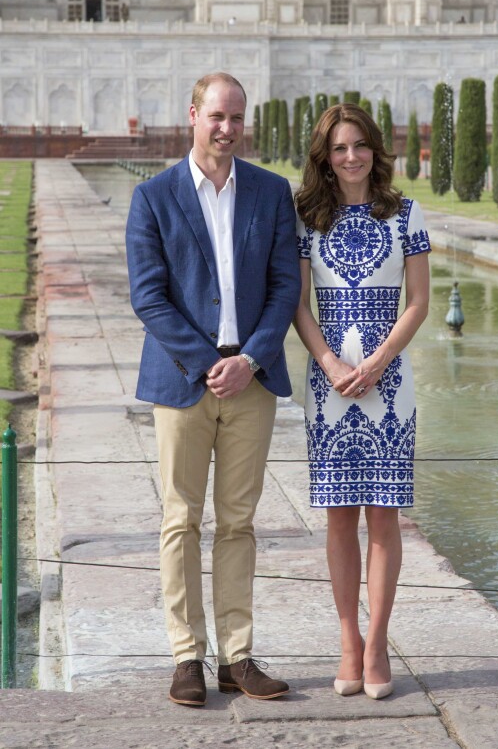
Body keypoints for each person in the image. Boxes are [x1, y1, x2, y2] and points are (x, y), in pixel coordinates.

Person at [125, 72, 301, 706]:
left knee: (239, 522)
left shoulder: (270, 192)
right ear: (193, 114)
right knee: (180, 520)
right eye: (216, 117)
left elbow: (286, 287)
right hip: (183, 379)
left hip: (249, 380)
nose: (226, 129)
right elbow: (149, 297)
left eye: (236, 119)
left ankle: (238, 655)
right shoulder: (154, 196)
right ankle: (186, 656)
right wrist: (209, 363)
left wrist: (250, 359)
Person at [293, 103, 430, 699]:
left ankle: (377, 645)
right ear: (325, 158)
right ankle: (347, 640)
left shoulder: (406, 214)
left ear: (375, 149)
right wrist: (330, 362)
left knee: (384, 518)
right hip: (329, 386)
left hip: (389, 386)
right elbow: (299, 304)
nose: (351, 157)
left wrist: (376, 363)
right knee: (339, 519)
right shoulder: (307, 219)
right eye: (339, 149)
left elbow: (419, 303)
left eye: (360, 145)